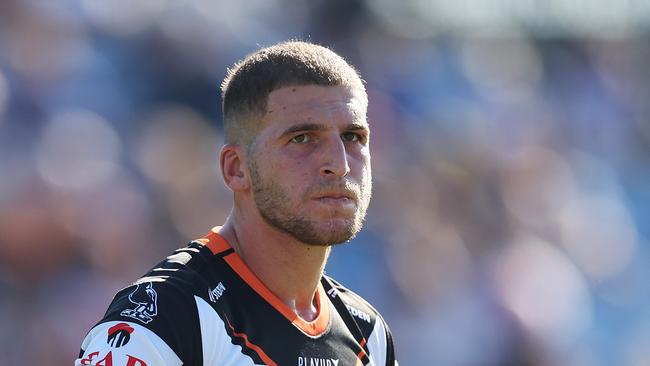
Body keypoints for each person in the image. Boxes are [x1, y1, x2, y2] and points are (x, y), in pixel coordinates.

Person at [75, 40, 398, 366]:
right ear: (236, 168)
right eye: (302, 138)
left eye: (353, 137)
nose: (339, 164)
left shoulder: (367, 335)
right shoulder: (165, 320)